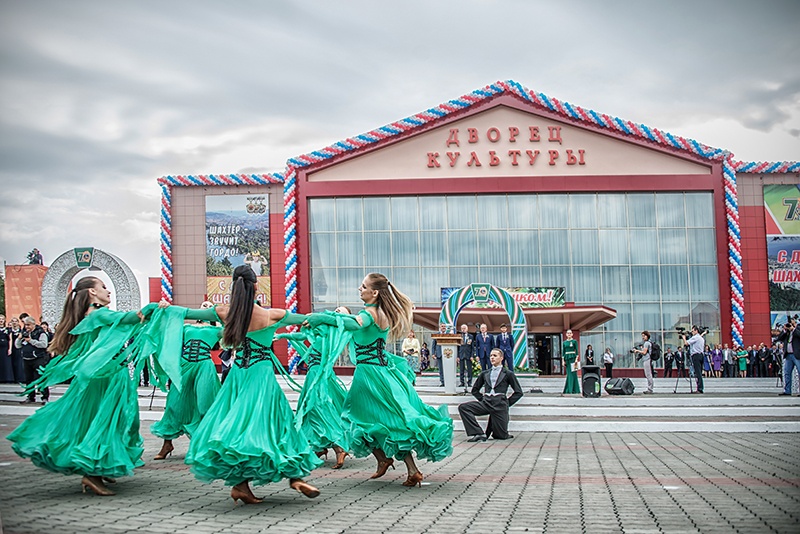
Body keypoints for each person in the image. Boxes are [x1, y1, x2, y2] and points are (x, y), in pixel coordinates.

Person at [6, 276, 167, 496]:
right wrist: (153, 307)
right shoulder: (99, 314)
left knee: (100, 421)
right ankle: (91, 474)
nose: (108, 291)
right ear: (92, 292)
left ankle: (99, 467)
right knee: (104, 422)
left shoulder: (91, 315)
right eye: (103, 287)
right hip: (105, 379)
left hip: (106, 376)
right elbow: (131, 318)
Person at [182, 265, 321, 504]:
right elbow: (306, 320)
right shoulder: (272, 315)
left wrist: (160, 308)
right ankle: (292, 476)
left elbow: (185, 312)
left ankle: (244, 485)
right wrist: (330, 319)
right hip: (261, 377)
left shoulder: (226, 312)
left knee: (239, 427)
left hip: (237, 376)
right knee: (277, 424)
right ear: (256, 286)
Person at [305, 273, 453, 488]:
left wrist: (324, 318)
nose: (359, 289)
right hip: (383, 372)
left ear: (374, 292)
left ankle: (385, 459)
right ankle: (411, 470)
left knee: (354, 418)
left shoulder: (370, 313)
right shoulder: (382, 312)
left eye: (363, 286)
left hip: (369, 375)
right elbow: (351, 322)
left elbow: (355, 324)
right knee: (389, 422)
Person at [277, 306, 352, 470]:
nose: (337, 312)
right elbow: (303, 335)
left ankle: (338, 446)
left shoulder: (337, 332)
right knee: (310, 410)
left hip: (319, 373)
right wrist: (283, 335)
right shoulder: (325, 329)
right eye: (337, 309)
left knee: (319, 408)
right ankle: (319, 447)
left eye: (341, 312)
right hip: (313, 371)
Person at [150, 302, 222, 461]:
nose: (205, 306)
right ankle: (167, 444)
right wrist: (164, 309)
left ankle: (205, 445)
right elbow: (167, 332)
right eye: (203, 305)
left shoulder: (217, 330)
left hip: (204, 367)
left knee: (206, 403)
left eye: (209, 306)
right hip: (184, 367)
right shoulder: (185, 327)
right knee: (174, 404)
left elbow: (235, 334)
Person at [458, 348, 524, 441]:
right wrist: (483, 399)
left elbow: (518, 392)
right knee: (464, 407)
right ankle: (478, 433)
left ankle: (501, 431)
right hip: (486, 402)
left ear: (501, 358)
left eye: (495, 356)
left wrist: (506, 404)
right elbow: (475, 390)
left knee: (500, 436)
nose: (492, 358)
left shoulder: (508, 374)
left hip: (500, 404)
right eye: (491, 356)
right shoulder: (485, 373)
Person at [15, 317, 50, 404]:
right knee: (28, 379)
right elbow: (17, 346)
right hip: (26, 359)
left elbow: (43, 344)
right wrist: (19, 338)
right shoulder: (24, 332)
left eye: (28, 325)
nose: (26, 327)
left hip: (38, 358)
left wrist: (31, 341)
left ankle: (44, 397)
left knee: (41, 378)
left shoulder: (40, 333)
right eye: (25, 325)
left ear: (33, 324)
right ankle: (30, 396)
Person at [775, 321, 799, 396]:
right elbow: (780, 338)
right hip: (788, 355)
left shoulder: (798, 329)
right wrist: (785, 330)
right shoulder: (787, 332)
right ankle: (787, 390)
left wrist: (793, 329)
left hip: (797, 355)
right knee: (787, 373)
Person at [684, 326, 707, 393]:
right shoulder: (701, 338)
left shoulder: (696, 337)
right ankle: (700, 387)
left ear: (696, 331)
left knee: (698, 372)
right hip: (701, 355)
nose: (692, 332)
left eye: (693, 331)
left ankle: (700, 388)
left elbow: (686, 343)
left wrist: (684, 338)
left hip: (696, 355)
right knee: (699, 371)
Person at [562, 329, 580, 394]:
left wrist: (576, 359)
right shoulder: (564, 342)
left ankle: (575, 389)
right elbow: (563, 352)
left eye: (570, 333)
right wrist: (563, 361)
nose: (569, 334)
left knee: (574, 373)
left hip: (573, 358)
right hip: (567, 359)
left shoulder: (574, 341)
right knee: (569, 374)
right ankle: (569, 389)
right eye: (568, 333)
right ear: (566, 334)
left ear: (572, 334)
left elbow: (577, 351)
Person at [0, 315, 14, 383]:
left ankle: (7, 378)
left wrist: (10, 348)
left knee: (6, 363)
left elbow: (10, 339)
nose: (1, 321)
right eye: (0, 319)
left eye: (2, 319)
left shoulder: (8, 329)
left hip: (5, 347)